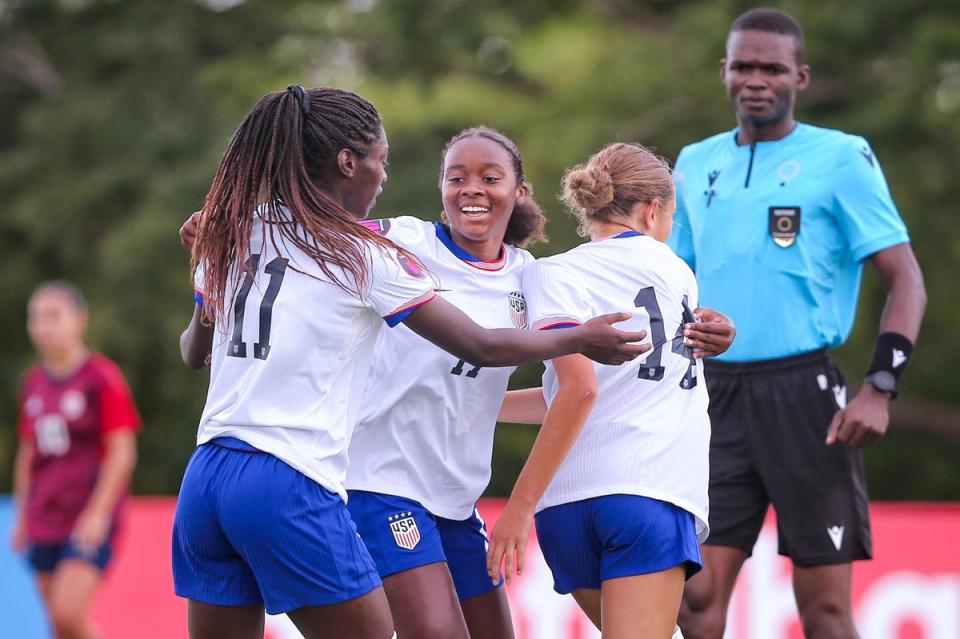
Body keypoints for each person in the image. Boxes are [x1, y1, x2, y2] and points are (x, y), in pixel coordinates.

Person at [173, 86, 650, 639]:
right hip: (307, 477)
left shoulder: (240, 228)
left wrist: (209, 267)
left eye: (491, 178)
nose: (383, 178)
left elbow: (193, 353)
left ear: (519, 192)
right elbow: (480, 345)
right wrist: (579, 339)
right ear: (348, 161)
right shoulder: (371, 250)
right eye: (382, 162)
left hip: (208, 475)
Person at [668, 9, 927, 639]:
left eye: (772, 68)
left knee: (825, 609)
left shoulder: (840, 157)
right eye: (744, 66)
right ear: (724, 71)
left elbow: (906, 280)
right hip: (713, 394)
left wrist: (881, 387)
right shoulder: (694, 161)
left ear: (800, 76)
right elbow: (672, 283)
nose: (757, 79)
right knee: (695, 600)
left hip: (805, 397)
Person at [487, 142, 734, 639]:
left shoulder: (547, 272)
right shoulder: (676, 271)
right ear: (652, 210)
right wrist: (517, 506)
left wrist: (479, 407)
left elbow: (571, 394)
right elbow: (581, 392)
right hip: (648, 494)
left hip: (567, 511)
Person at [11, 281, 140, 639]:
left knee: (68, 616)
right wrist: (22, 513)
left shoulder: (101, 379)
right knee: (58, 626)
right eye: (36, 317)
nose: (44, 326)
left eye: (54, 316)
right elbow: (28, 452)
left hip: (85, 514)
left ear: (79, 320)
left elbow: (122, 451)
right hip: (44, 515)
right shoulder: (33, 383)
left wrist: (98, 513)